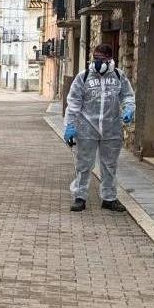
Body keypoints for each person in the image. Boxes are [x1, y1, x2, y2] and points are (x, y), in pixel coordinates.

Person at [64, 44, 135, 213]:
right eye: (95, 58)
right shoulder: (84, 77)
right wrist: (70, 126)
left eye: (101, 59)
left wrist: (129, 109)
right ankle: (80, 197)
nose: (98, 62)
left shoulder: (119, 76)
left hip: (111, 128)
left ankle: (109, 198)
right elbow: (74, 103)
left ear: (110, 59)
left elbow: (127, 96)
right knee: (83, 164)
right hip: (87, 127)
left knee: (110, 165)